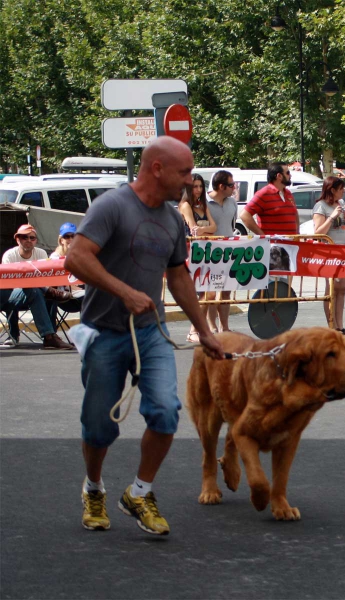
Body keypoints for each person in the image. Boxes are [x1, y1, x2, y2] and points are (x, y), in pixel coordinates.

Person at [65, 136, 225, 536]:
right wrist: (124, 291)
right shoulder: (111, 206)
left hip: (150, 332)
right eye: (185, 172)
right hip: (103, 332)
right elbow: (76, 257)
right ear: (157, 168)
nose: (191, 181)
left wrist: (205, 331)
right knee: (99, 427)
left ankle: (139, 492)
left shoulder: (172, 219)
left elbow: (178, 276)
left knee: (166, 413)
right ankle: (94, 487)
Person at [1, 224, 74, 349]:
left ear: (36, 241)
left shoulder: (41, 253)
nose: (28, 240)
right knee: (36, 288)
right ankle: (49, 337)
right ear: (18, 239)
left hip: (35, 293)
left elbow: (45, 279)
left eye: (32, 238)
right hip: (10, 296)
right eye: (24, 237)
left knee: (38, 291)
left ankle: (51, 335)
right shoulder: (9, 255)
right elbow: (9, 285)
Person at [312, 176, 345, 339]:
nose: (343, 191)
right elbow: (318, 233)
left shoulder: (342, 203)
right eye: (341, 189)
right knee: (331, 289)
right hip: (330, 253)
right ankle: (332, 327)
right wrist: (332, 217)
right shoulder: (321, 206)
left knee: (342, 289)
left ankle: (340, 326)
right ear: (332, 190)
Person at [178, 174, 217, 343]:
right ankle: (194, 330)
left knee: (210, 293)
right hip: (191, 253)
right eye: (195, 186)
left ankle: (198, 329)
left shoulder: (203, 205)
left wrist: (203, 230)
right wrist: (204, 229)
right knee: (202, 293)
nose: (199, 190)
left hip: (205, 253)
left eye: (200, 186)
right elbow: (193, 229)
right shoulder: (186, 205)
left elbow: (214, 227)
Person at [206, 170, 238, 333]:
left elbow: (232, 226)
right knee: (210, 292)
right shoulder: (203, 203)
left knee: (226, 291)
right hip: (210, 254)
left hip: (229, 253)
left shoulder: (232, 203)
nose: (234, 188)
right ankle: (211, 326)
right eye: (231, 185)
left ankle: (224, 327)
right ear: (221, 186)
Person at [240, 162, 299, 236]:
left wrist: (297, 234)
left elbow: (295, 214)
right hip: (273, 245)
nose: (290, 175)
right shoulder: (263, 193)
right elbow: (244, 215)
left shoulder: (288, 193)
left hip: (291, 245)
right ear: (279, 176)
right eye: (287, 173)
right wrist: (262, 236)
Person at [50, 222, 84, 314]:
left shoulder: (80, 255)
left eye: (73, 236)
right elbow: (54, 281)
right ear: (61, 240)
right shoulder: (55, 257)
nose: (71, 239)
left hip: (79, 294)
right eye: (67, 237)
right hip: (63, 297)